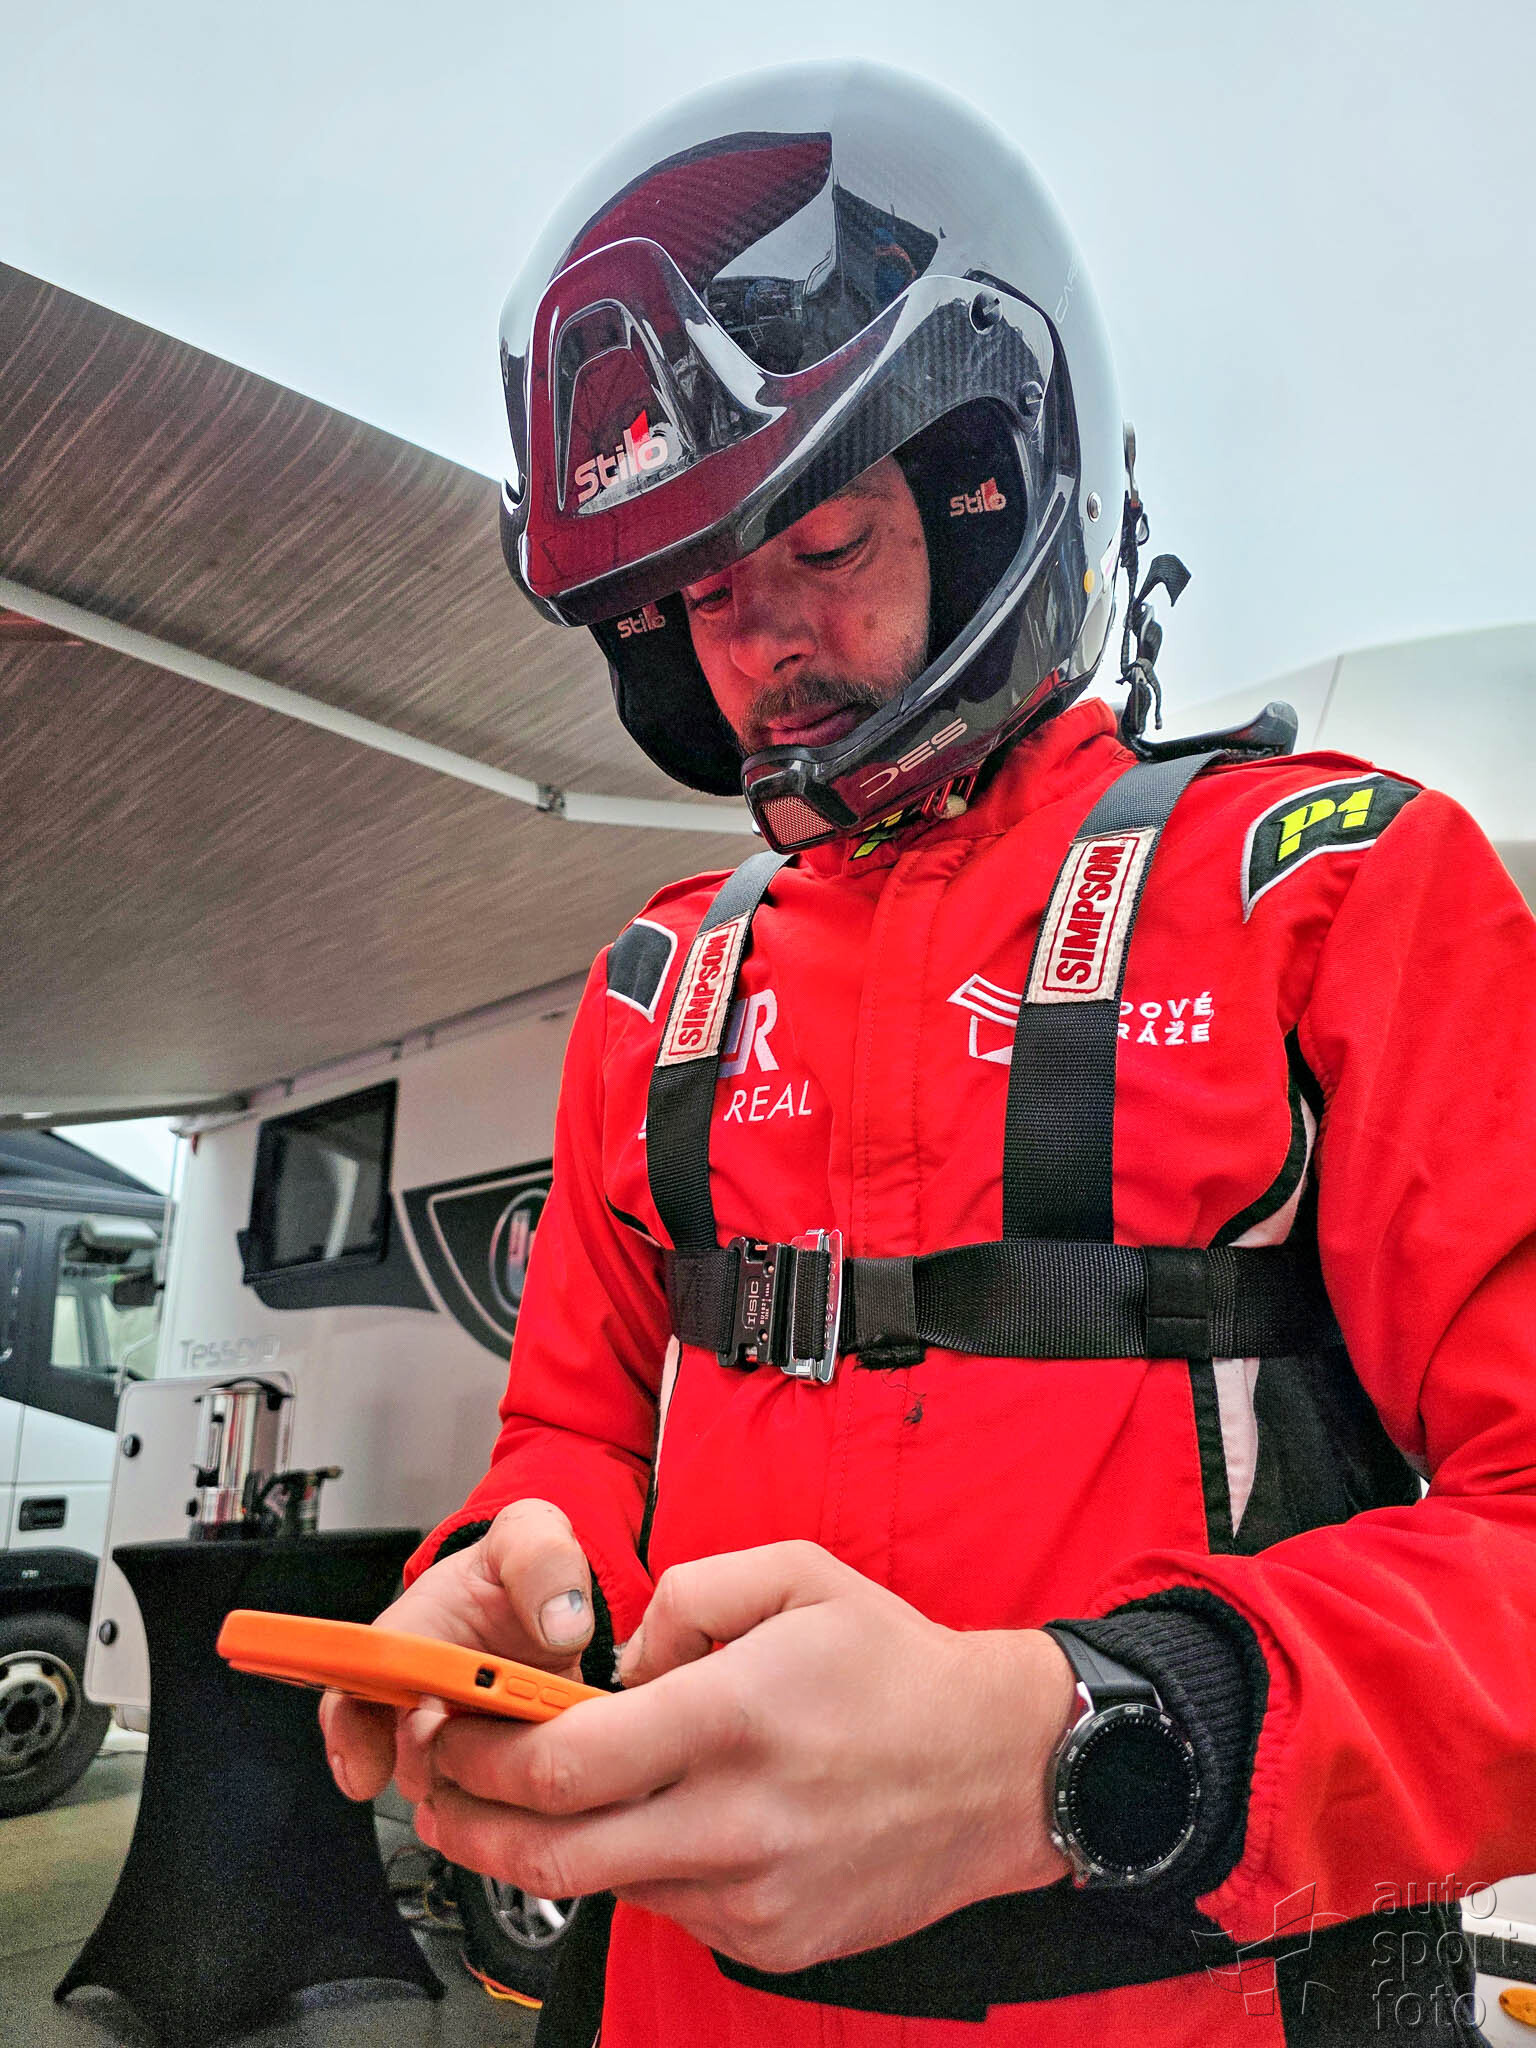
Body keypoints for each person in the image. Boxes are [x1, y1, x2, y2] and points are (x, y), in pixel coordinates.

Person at [322, 63, 1536, 2046]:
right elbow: (570, 1444)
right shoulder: (661, 986)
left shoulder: (1332, 892)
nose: (758, 645)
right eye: (701, 595)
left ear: (988, 491)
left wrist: (1074, 1743)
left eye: (824, 541)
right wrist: (516, 1571)